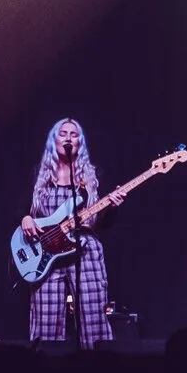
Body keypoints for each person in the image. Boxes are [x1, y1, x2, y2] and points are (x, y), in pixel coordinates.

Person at [21, 117, 126, 347]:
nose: (68, 138)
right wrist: (25, 218)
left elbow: (101, 223)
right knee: (46, 322)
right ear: (54, 139)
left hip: (84, 250)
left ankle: (97, 364)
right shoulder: (38, 175)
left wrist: (112, 208)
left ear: (80, 142)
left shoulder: (93, 176)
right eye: (63, 133)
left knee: (93, 318)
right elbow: (20, 208)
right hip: (46, 253)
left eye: (74, 134)